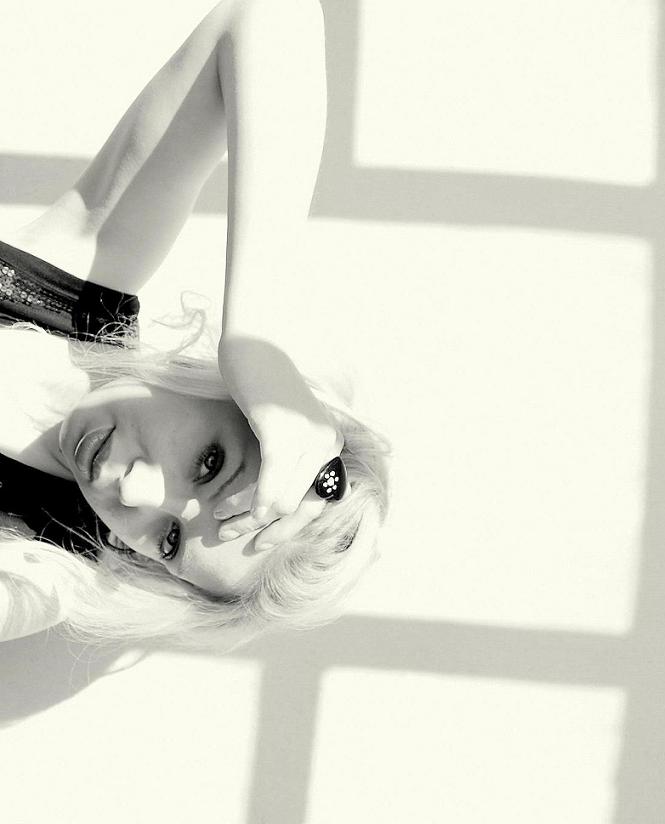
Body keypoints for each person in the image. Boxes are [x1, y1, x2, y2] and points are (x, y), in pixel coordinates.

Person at [0, 0, 389, 648]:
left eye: (169, 541)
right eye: (210, 464)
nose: (133, 491)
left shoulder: (38, 559)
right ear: (232, 396)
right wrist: (255, 343)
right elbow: (269, 19)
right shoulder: (75, 288)